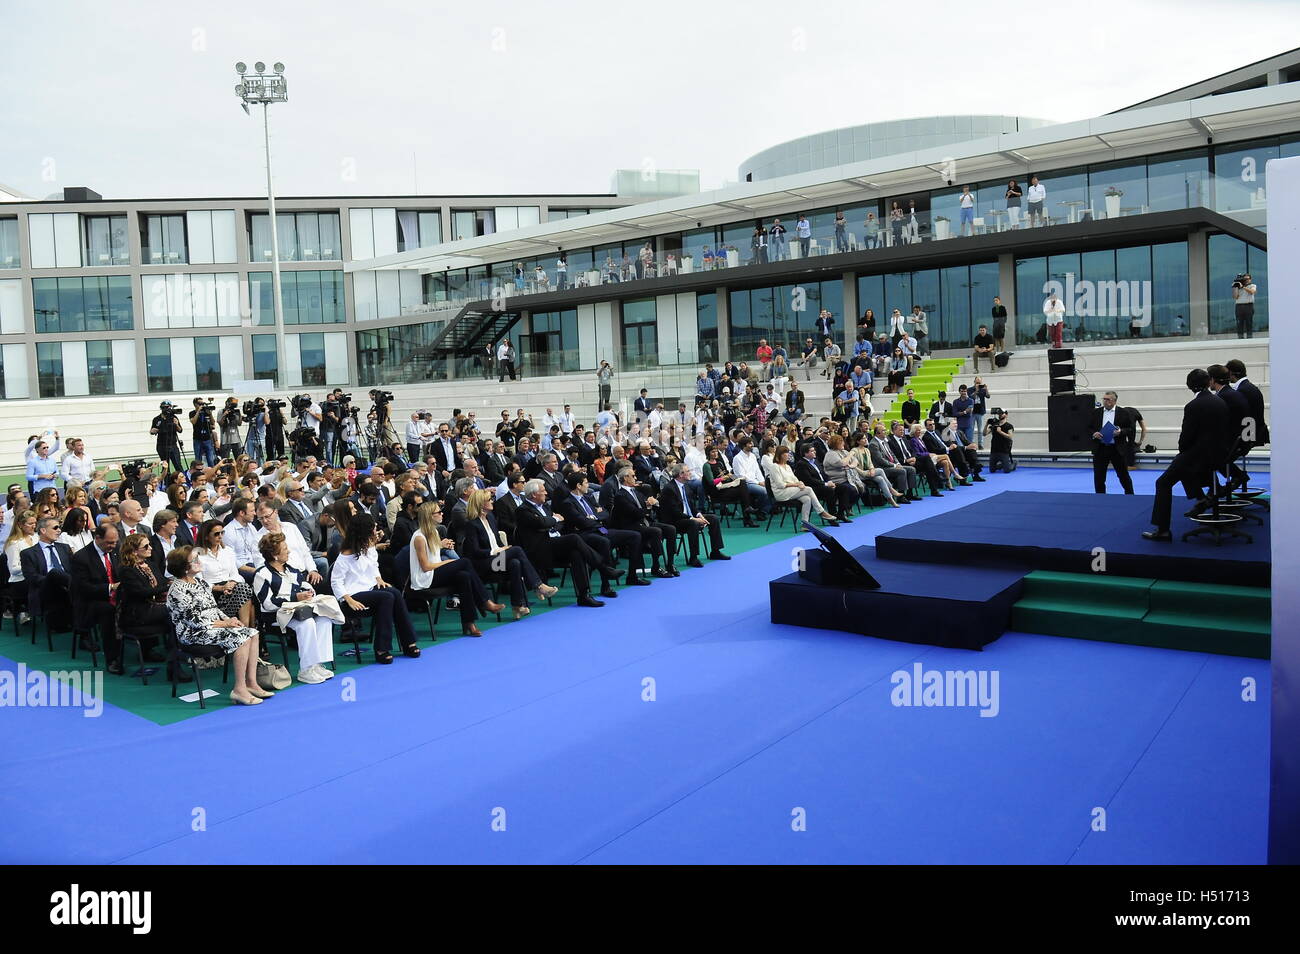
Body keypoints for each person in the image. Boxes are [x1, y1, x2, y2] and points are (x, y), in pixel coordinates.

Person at [166, 546, 266, 704]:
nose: (199, 561)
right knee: (243, 638)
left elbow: (215, 609)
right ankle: (239, 689)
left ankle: (251, 683)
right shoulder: (177, 590)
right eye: (194, 560)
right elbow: (194, 620)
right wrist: (225, 624)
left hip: (214, 627)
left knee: (253, 632)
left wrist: (231, 620)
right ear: (185, 567)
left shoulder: (201, 583)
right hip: (192, 634)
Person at [1143, 369, 1230, 541]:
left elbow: (1185, 440)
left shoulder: (1193, 406)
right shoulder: (1220, 402)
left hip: (1199, 456)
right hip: (1219, 456)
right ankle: (1202, 498)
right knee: (1181, 465)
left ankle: (1163, 530)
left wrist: (1184, 452)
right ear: (1208, 382)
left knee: (1163, 483)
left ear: (1189, 386)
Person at [331, 513, 420, 662]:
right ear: (364, 531)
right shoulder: (345, 556)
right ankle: (381, 648)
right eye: (373, 527)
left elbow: (374, 565)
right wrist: (348, 599)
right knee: (387, 597)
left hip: (370, 589)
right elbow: (336, 582)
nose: (376, 529)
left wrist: (378, 578)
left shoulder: (369, 548)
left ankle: (408, 642)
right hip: (352, 595)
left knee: (395, 593)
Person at [410, 501, 503, 636]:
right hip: (425, 579)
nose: (442, 513)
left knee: (464, 577)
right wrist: (448, 563)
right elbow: (425, 567)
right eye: (438, 512)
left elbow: (434, 558)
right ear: (429, 516)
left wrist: (442, 551)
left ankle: (469, 623)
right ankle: (485, 601)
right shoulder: (419, 537)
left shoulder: (434, 532)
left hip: (435, 573)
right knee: (464, 562)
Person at [253, 533, 335, 683]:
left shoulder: (292, 569)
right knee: (307, 623)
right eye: (284, 548)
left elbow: (304, 584)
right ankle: (306, 669)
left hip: (299, 611)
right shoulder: (261, 574)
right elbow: (268, 603)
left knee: (324, 619)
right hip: (275, 617)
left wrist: (309, 592)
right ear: (274, 555)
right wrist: (295, 597)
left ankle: (317, 665)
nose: (289, 551)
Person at [113, 533, 172, 668]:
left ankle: (175, 653)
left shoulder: (150, 564)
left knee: (177, 613)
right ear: (134, 551)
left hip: (153, 606)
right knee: (174, 611)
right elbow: (140, 592)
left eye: (149, 545)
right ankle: (176, 656)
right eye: (146, 546)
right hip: (136, 612)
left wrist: (169, 584)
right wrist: (166, 587)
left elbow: (162, 582)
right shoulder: (126, 570)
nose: (150, 548)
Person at [657, 463, 728, 565]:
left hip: (687, 516)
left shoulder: (686, 486)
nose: (690, 473)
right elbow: (675, 512)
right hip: (674, 521)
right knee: (693, 524)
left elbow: (692, 506)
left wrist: (699, 515)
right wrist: (693, 519)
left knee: (713, 518)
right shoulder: (669, 489)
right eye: (688, 471)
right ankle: (693, 557)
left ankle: (715, 551)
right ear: (681, 474)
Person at [194, 519, 256, 627]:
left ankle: (244, 630)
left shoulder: (227, 551)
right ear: (206, 536)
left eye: (222, 533)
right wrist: (220, 588)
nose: (220, 536)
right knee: (245, 590)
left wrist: (232, 583)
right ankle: (247, 629)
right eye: (216, 534)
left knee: (243, 588)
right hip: (211, 593)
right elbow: (198, 581)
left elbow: (235, 574)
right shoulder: (197, 553)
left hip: (231, 589)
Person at [768, 445, 839, 526]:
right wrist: (796, 484)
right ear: (780, 455)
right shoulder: (775, 467)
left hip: (791, 490)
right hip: (780, 493)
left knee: (807, 499)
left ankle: (805, 524)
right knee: (808, 489)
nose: (789, 455)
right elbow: (780, 484)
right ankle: (821, 512)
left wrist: (800, 483)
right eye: (786, 453)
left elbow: (795, 479)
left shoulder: (788, 466)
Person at [1089, 391, 1137, 494]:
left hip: (1117, 448)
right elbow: (1089, 428)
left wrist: (1120, 432)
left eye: (1108, 399)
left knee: (1123, 475)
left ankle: (1130, 494)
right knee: (1099, 476)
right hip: (1100, 448)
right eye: (1104, 399)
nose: (1105, 401)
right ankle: (1100, 497)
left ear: (1114, 401)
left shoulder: (1124, 413)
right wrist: (1094, 434)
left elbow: (1130, 429)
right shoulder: (1096, 412)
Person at [1231, 273, 1257, 339]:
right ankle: (1240, 338)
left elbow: (1252, 292)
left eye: (1247, 279)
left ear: (1250, 279)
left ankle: (1249, 338)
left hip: (1248, 306)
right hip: (1239, 306)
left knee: (1249, 323)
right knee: (1239, 324)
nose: (1246, 280)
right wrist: (1235, 287)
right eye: (1244, 279)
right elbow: (1235, 297)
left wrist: (1243, 287)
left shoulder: (1252, 285)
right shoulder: (1239, 286)